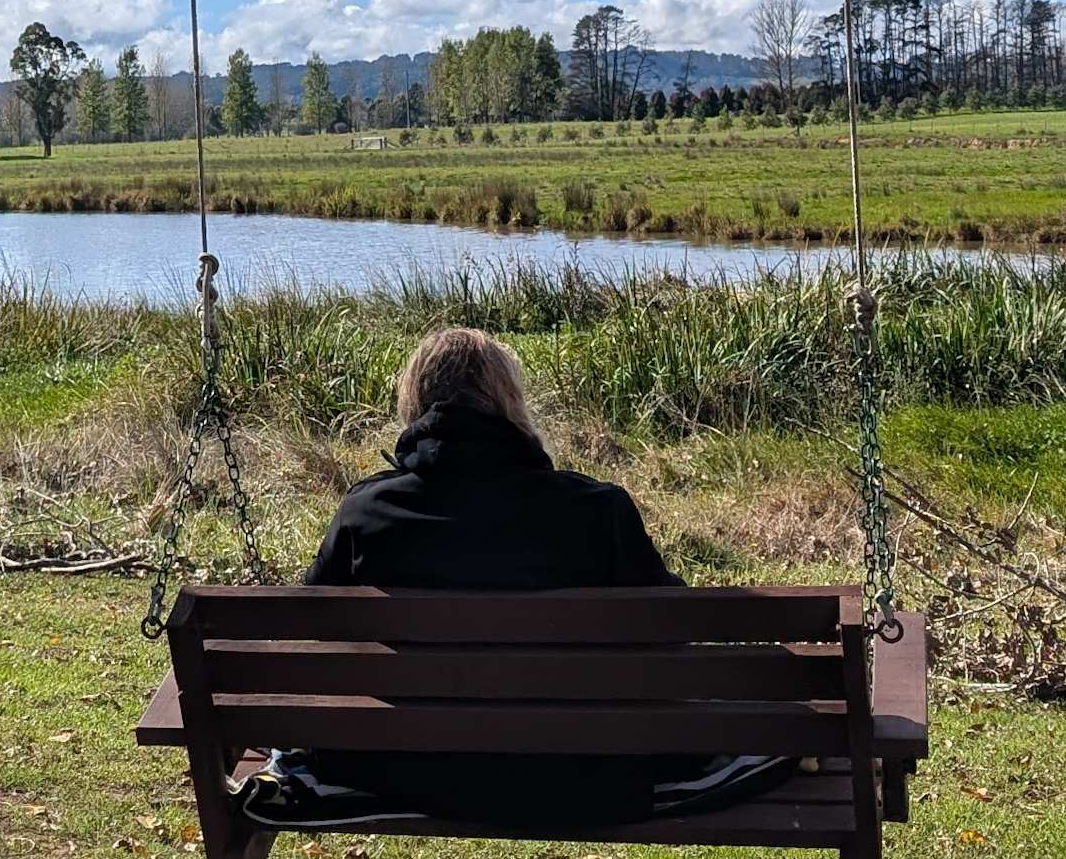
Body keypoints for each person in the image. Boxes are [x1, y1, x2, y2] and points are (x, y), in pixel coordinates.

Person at [257, 325, 765, 830]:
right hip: (584, 769)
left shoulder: (366, 513)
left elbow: (315, 633)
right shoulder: (596, 511)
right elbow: (672, 627)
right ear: (508, 402)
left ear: (414, 401)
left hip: (404, 769)